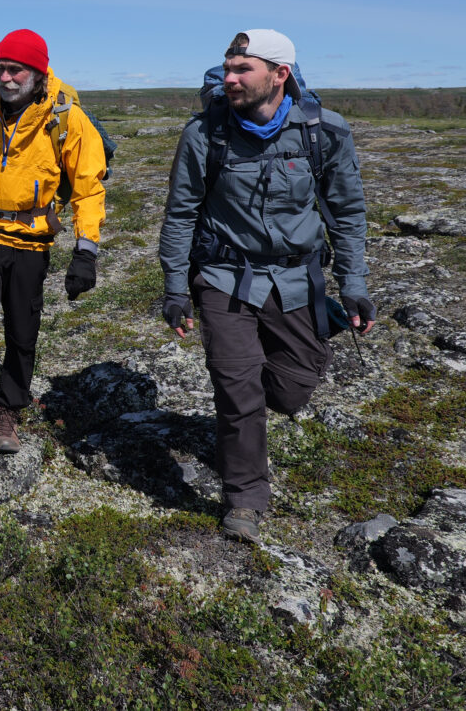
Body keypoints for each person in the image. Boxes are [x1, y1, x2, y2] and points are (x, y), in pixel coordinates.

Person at [158, 29, 376, 543]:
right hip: (223, 279)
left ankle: (247, 429)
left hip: (299, 281)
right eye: (227, 69)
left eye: (243, 70)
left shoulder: (325, 133)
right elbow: (180, 214)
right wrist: (173, 288)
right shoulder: (203, 134)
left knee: (294, 389)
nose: (230, 79)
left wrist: (354, 284)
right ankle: (245, 499)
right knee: (238, 391)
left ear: (280, 75)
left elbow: (347, 213)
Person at [0, 29, 107, 477]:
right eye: (1, 68)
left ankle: (9, 408)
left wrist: (86, 250)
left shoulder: (66, 117)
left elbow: (88, 186)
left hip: (31, 239)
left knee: (24, 329)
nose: (6, 78)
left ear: (38, 73)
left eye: (16, 70)